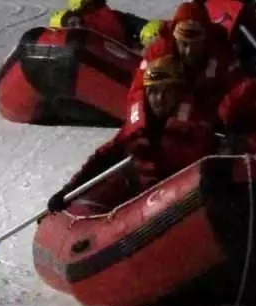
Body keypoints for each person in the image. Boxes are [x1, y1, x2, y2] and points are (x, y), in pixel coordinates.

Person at [46, 54, 217, 213]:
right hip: (147, 205)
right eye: (153, 92)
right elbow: (103, 158)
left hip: (184, 204)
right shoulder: (136, 129)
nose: (158, 99)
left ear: (178, 93)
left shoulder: (196, 125)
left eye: (166, 91)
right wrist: (68, 191)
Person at [64, 0, 149, 48]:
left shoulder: (115, 16)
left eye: (95, 3)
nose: (93, 8)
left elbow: (142, 26)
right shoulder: (80, 27)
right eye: (87, 7)